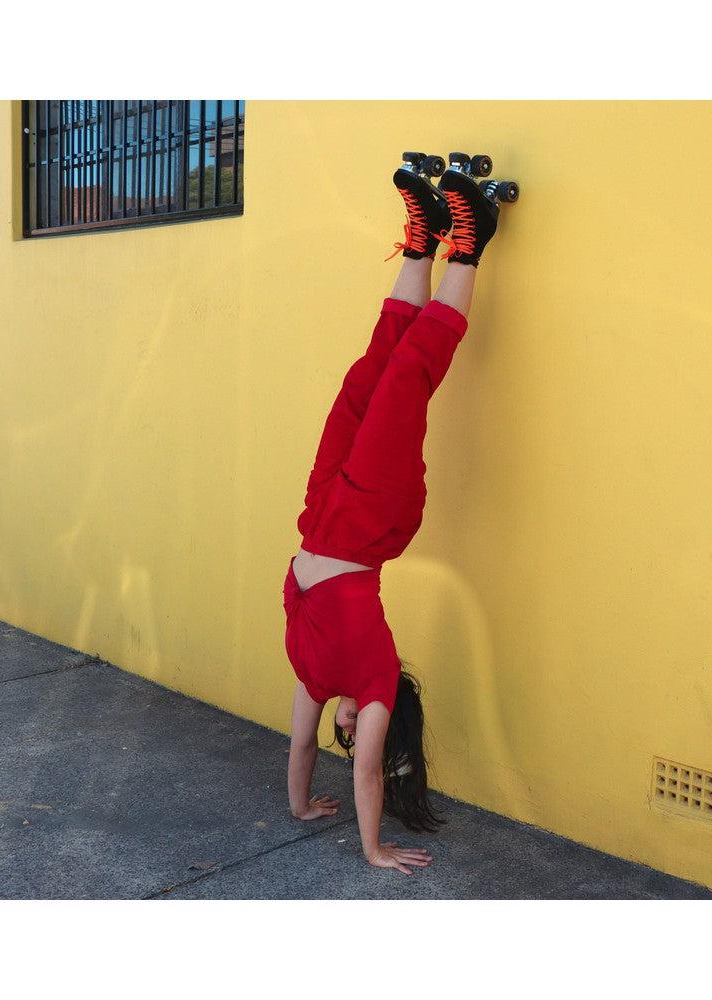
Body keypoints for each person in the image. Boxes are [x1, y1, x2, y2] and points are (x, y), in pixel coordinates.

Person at [281, 156, 502, 876]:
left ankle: (422, 239)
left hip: (321, 512)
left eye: (347, 733)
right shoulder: (374, 680)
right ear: (381, 723)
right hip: (374, 516)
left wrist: (300, 807)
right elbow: (368, 775)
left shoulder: (315, 678)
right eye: (360, 734)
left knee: (369, 371)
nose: (349, 734)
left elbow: (301, 749)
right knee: (409, 377)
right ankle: (471, 244)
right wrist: (372, 850)